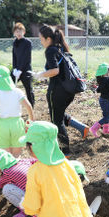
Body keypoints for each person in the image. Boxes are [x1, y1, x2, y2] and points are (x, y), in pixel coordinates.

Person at [32, 25, 89, 156]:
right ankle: (82, 128)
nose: (40, 42)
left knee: (56, 121)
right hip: (69, 91)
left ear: (47, 39)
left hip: (57, 91)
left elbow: (55, 70)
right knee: (58, 114)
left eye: (41, 39)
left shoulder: (50, 50)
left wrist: (40, 74)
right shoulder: (60, 48)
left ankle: (65, 152)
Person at [0, 66, 34, 158]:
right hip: (17, 124)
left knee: (6, 155)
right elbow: (29, 106)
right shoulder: (17, 91)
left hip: (3, 125)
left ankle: (8, 171)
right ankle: (17, 170)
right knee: (16, 155)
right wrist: (31, 121)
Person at [0, 148, 37, 217]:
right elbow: (36, 161)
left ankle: (26, 211)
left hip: (35, 201)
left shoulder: (7, 173)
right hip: (44, 195)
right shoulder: (23, 161)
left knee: (7, 189)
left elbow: (0, 185)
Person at [89, 62, 109, 137]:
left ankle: (106, 129)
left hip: (102, 100)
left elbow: (98, 90)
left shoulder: (100, 80)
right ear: (107, 71)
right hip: (106, 100)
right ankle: (94, 128)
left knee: (106, 115)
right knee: (107, 116)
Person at [11, 22, 34, 107]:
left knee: (29, 89)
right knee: (9, 85)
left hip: (26, 69)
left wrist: (20, 70)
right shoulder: (15, 42)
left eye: (20, 31)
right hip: (16, 70)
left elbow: (26, 58)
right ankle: (10, 104)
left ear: (24, 32)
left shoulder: (28, 42)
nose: (19, 33)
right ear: (14, 33)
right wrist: (14, 69)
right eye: (17, 31)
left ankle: (31, 107)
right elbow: (14, 56)